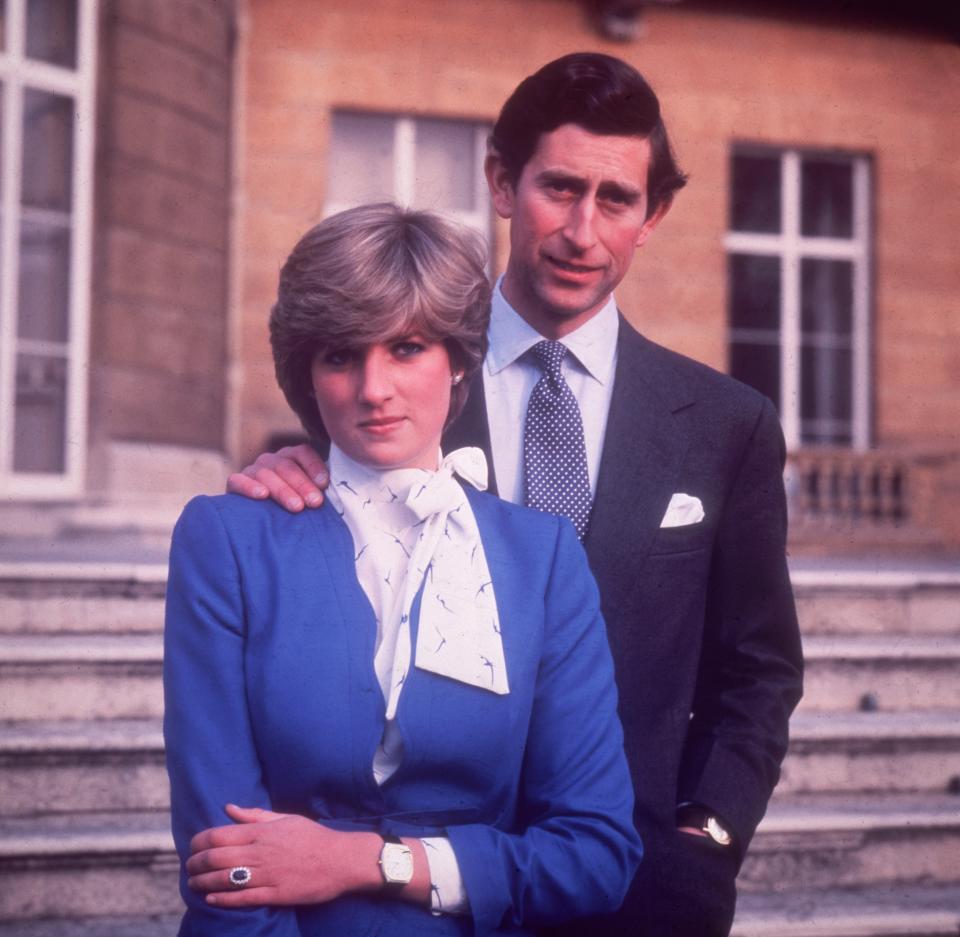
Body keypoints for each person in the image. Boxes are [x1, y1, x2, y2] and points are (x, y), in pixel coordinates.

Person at [227, 53, 804, 936]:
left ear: (653, 216)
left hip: (642, 887)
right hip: (411, 891)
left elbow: (758, 667)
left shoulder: (727, 425)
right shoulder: (398, 385)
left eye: (616, 199)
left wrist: (710, 831)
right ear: (502, 182)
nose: (582, 229)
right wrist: (286, 471)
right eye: (560, 188)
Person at [163, 203, 641, 937]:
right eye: (341, 355)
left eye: (407, 347)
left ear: (457, 361)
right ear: (306, 373)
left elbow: (595, 855)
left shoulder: (541, 559)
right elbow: (225, 867)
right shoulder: (227, 539)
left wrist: (368, 861)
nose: (373, 387)